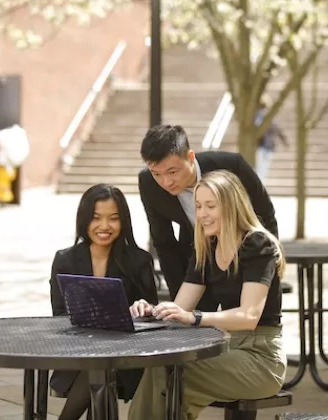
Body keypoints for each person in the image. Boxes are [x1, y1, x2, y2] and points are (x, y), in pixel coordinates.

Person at [129, 170, 287, 420]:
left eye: (210, 206)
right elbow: (180, 307)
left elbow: (248, 316)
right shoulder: (207, 247)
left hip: (261, 359)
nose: (202, 214)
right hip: (227, 350)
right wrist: (154, 310)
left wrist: (196, 318)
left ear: (232, 205)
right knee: (162, 372)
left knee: (172, 373)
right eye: (199, 206)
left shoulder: (257, 244)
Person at [138, 124, 278, 309]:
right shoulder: (148, 183)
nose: (166, 182)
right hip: (197, 260)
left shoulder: (231, 166)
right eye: (157, 174)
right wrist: (177, 306)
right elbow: (165, 244)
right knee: (196, 326)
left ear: (190, 157)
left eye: (173, 172)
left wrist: (266, 267)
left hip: (244, 257)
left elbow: (265, 215)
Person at [49, 183, 158, 420]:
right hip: (77, 351)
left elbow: (152, 315)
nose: (104, 227)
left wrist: (144, 308)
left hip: (125, 355)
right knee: (96, 367)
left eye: (114, 219)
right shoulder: (65, 259)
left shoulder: (139, 261)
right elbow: (58, 314)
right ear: (84, 219)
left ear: (124, 222)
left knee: (101, 365)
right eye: (96, 218)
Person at [255, 101, 288, 182]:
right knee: (261, 169)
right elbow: (278, 129)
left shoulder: (260, 117)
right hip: (265, 146)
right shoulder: (264, 117)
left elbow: (277, 129)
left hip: (263, 145)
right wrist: (284, 141)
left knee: (261, 169)